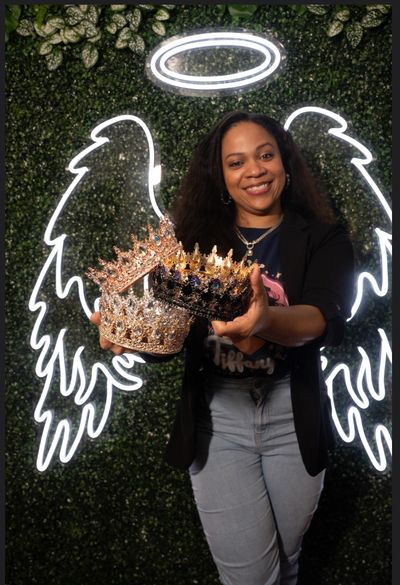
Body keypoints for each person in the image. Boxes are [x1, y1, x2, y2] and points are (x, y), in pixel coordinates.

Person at [90, 111, 355, 585]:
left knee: (287, 561)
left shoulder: (324, 238)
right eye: (236, 162)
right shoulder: (190, 243)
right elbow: (170, 334)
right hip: (219, 421)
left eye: (265, 155)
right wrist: (135, 338)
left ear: (285, 163)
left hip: (293, 418)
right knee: (252, 577)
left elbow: (322, 319)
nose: (254, 170)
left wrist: (266, 319)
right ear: (221, 176)